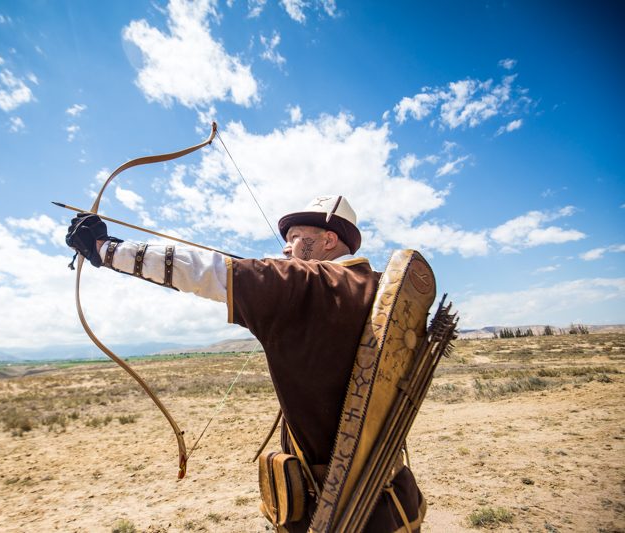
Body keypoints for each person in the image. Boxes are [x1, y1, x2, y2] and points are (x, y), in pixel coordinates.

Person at [66, 195, 425, 532]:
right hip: (395, 498)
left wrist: (105, 249)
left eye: (298, 237)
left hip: (333, 509)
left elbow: (202, 271)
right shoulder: (380, 291)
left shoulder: (305, 283)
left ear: (329, 240)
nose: (287, 246)